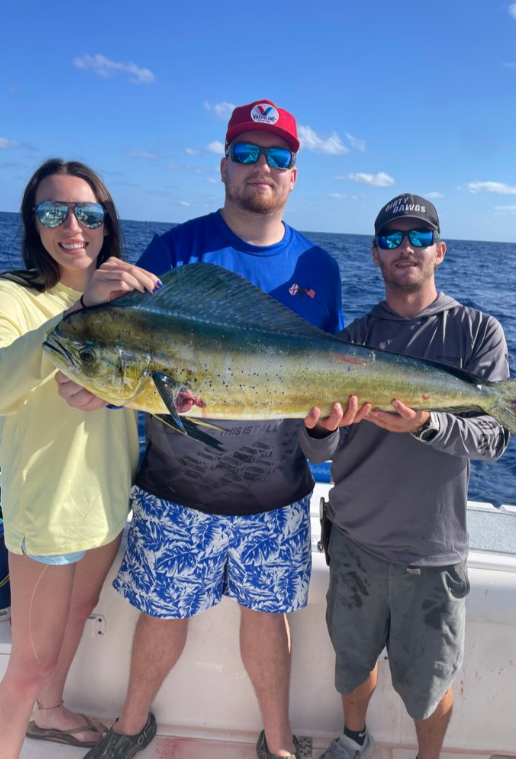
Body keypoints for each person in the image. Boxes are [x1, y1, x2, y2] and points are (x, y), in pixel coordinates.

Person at [58, 99, 343, 759]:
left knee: (266, 620)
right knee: (162, 614)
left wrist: (327, 432)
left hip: (275, 494)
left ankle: (275, 741)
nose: (261, 166)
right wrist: (88, 363)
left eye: (277, 155)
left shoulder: (319, 269)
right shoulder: (174, 248)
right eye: (245, 152)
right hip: (172, 489)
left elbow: (318, 394)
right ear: (223, 165)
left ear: (294, 174)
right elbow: (119, 357)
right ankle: (130, 725)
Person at [300, 194, 510, 759]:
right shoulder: (349, 344)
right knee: (352, 665)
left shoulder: (476, 332)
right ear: (375, 255)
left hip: (432, 552)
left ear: (440, 251)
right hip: (354, 543)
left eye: (419, 237)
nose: (406, 248)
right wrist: (319, 429)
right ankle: (353, 736)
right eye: (392, 239)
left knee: (426, 689)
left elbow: (494, 439)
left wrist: (425, 425)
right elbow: (317, 444)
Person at [0, 158, 160, 759]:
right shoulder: (13, 296)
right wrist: (77, 313)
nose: (73, 226)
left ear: (106, 222)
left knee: (81, 611)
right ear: (32, 222)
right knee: (30, 661)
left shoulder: (126, 296)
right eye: (53, 211)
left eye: (87, 213)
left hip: (106, 498)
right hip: (47, 505)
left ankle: (52, 710)